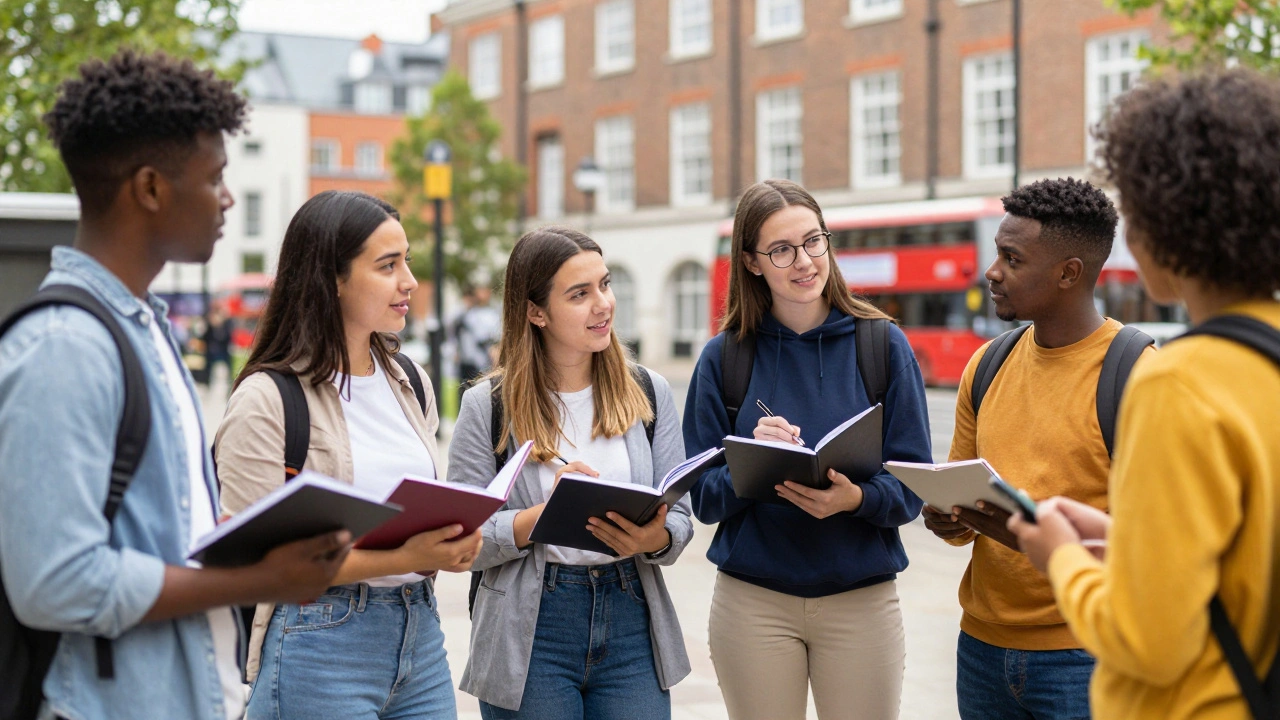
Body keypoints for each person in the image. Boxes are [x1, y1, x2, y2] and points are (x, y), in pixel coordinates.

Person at [0, 50, 350, 720]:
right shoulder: (66, 347)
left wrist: (242, 536)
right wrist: (259, 579)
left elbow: (154, 526)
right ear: (151, 189)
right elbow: (56, 583)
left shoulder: (146, 329)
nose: (227, 198)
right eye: (215, 177)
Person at [1010, 69, 1280, 719]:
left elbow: (1148, 642)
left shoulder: (1177, 382)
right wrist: (1128, 542)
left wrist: (1062, 558)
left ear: (1168, 225)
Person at [214, 190, 482, 719]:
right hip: (319, 642)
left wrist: (451, 541)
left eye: (407, 261)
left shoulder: (411, 381)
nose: (410, 281)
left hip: (419, 635)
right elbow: (251, 562)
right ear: (331, 279)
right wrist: (408, 558)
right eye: (388, 265)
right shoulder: (266, 399)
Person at [683, 179, 932, 720]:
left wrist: (856, 499)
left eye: (813, 240)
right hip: (753, 604)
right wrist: (752, 458)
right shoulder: (723, 358)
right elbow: (702, 498)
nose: (804, 261)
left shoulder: (882, 344)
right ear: (751, 262)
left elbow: (913, 486)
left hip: (861, 601)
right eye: (781, 249)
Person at [920, 177, 1151, 720]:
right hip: (980, 649)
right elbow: (960, 511)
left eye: (1012, 258)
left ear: (1069, 273)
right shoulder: (987, 365)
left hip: (1086, 654)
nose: (991, 271)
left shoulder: (1138, 375)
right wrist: (946, 517)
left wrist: (1038, 540)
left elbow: (1156, 547)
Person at [447, 227, 693, 719]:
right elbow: (461, 538)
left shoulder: (649, 390)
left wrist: (654, 538)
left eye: (605, 284)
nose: (603, 304)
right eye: (580, 294)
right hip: (531, 626)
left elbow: (681, 518)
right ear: (536, 312)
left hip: (631, 614)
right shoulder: (487, 405)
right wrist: (545, 515)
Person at [453, 282, 501, 391]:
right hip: (466, 361)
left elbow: (492, 338)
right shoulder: (467, 313)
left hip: (482, 362)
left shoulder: (492, 313)